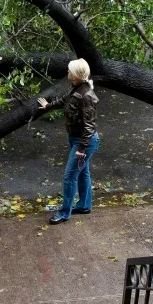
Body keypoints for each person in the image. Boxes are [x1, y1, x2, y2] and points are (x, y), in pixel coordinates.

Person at [38, 58, 100, 225]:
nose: (67, 73)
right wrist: (48, 106)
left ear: (77, 75)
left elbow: (89, 126)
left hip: (84, 142)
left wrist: (81, 148)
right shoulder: (76, 88)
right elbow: (64, 100)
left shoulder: (87, 96)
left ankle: (64, 212)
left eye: (70, 71)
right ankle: (85, 205)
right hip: (76, 139)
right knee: (83, 173)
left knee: (70, 176)